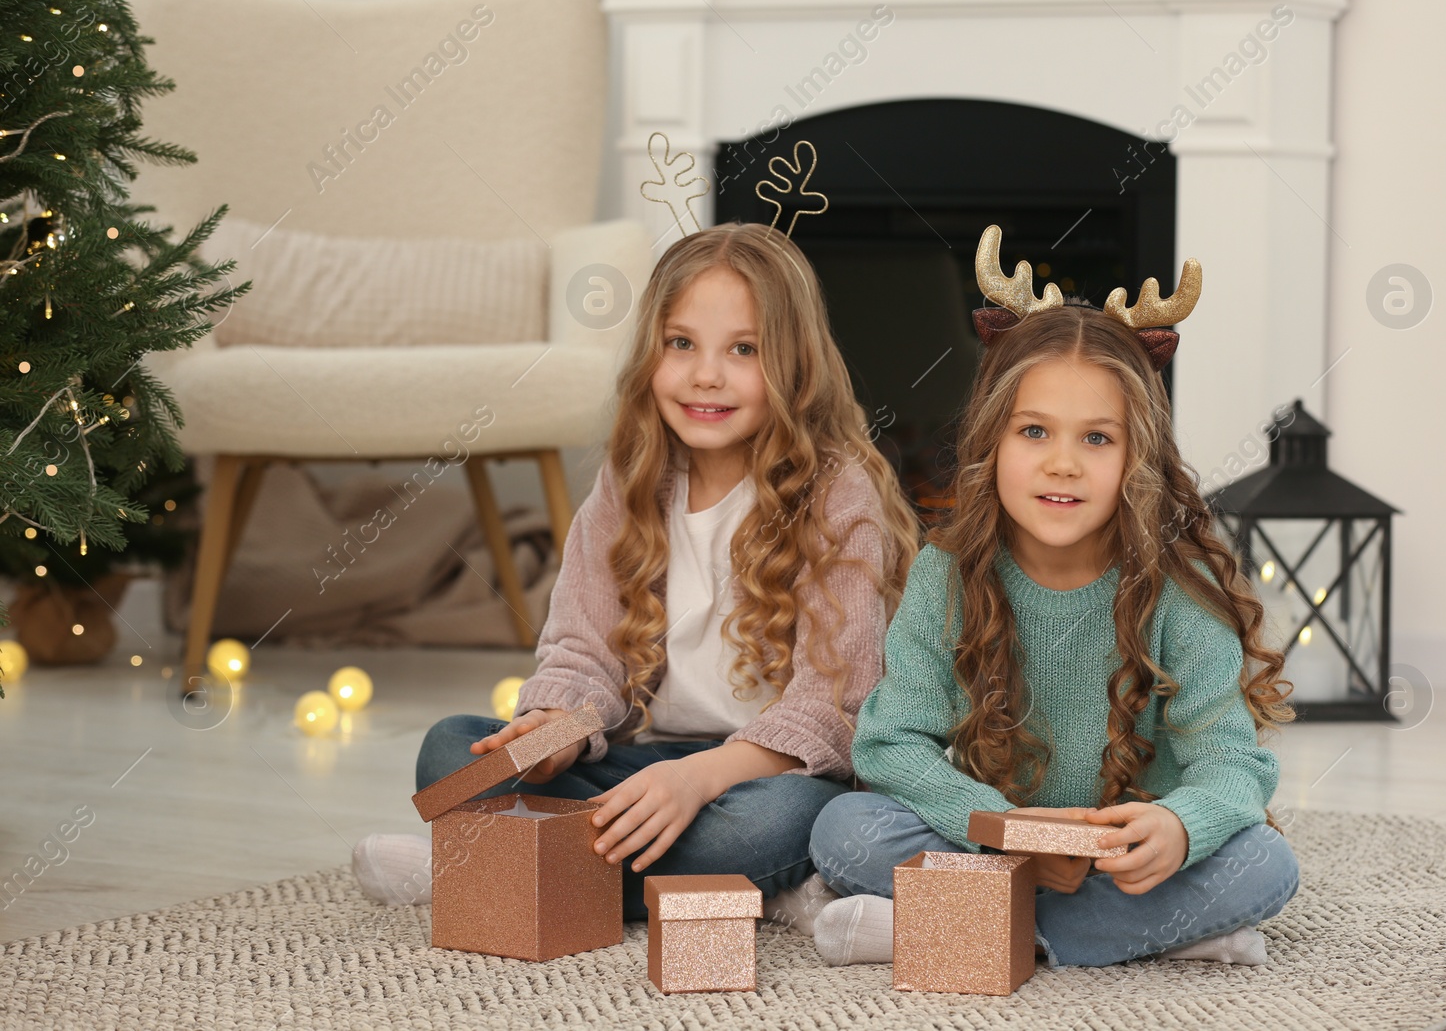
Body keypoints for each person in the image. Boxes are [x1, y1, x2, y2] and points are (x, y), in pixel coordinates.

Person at [353, 222, 921, 920]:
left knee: (774, 823)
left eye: (743, 349)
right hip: (649, 765)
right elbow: (584, 653)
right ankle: (733, 893)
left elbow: (833, 706)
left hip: (765, 777)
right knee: (451, 750)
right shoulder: (632, 480)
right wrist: (552, 733)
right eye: (681, 344)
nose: (705, 374)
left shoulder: (837, 492)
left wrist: (699, 778)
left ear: (796, 364)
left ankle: (484, 869)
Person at [808, 263, 1301, 969]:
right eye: (1034, 431)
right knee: (842, 830)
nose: (1062, 463)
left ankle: (953, 928)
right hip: (998, 842)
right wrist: (1001, 830)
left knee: (1265, 863)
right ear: (991, 440)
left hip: (1121, 858)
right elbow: (891, 747)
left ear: (1140, 455)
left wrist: (1178, 826)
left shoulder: (1179, 590)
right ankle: (1156, 934)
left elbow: (1228, 763)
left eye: (1097, 438)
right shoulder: (944, 575)